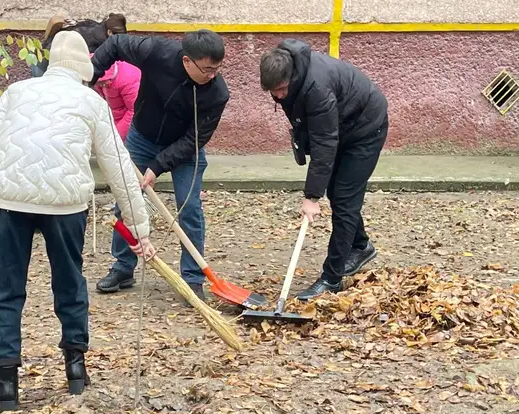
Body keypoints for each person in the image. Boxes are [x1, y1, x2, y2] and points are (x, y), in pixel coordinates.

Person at [0, 31, 156, 411]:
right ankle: (76, 369)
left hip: (7, 201)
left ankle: (6, 383)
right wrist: (139, 229)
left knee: (5, 290)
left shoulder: (17, 92)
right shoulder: (91, 102)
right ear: (83, 68)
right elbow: (120, 167)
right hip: (66, 204)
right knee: (69, 281)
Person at [90, 29, 230, 302]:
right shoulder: (157, 52)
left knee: (189, 209)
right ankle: (123, 267)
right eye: (207, 69)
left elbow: (194, 139)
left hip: (185, 149)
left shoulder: (217, 94)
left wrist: (157, 166)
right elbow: (116, 43)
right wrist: (90, 77)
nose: (213, 75)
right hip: (143, 138)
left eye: (217, 69)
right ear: (187, 61)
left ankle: (192, 278)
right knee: (127, 201)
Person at [258, 38, 389, 300]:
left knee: (344, 199)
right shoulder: (288, 75)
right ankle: (361, 246)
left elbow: (325, 143)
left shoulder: (316, 88)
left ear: (292, 76)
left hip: (365, 129)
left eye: (283, 89)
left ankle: (332, 278)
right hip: (342, 126)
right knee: (339, 193)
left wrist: (311, 197)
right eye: (274, 92)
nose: (279, 96)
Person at [31, 13, 128, 77]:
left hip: (40, 55)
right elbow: (89, 69)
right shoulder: (100, 42)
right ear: (110, 32)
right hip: (47, 64)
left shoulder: (92, 24)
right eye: (117, 37)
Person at [91, 55, 141, 141]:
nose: (99, 85)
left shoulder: (128, 80)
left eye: (101, 82)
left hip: (128, 127)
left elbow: (133, 111)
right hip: (113, 120)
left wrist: (116, 135)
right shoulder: (99, 79)